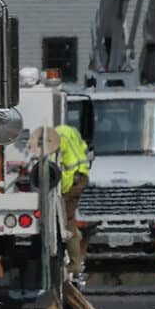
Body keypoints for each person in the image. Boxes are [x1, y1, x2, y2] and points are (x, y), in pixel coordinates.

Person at [53, 121, 91, 285]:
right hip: (81, 177)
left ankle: (75, 264)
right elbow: (85, 151)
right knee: (71, 220)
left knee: (67, 221)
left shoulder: (56, 135)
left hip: (72, 182)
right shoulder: (71, 131)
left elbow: (55, 160)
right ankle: (77, 244)